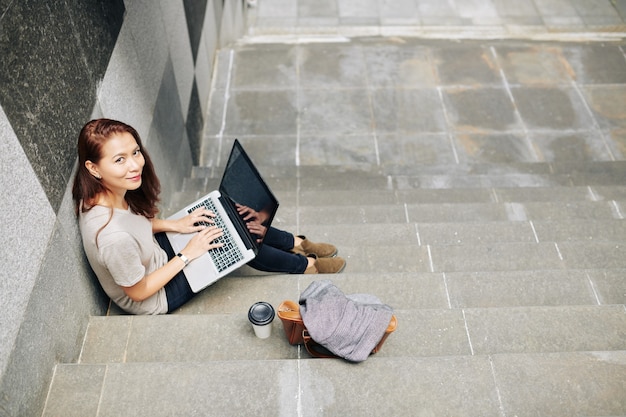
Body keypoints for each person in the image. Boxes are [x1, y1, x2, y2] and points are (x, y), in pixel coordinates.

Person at [72, 118, 346, 315]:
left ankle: (295, 242)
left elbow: (135, 226)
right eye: (119, 160)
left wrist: (174, 224)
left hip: (155, 257)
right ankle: (307, 265)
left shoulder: (104, 193)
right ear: (93, 168)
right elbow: (139, 291)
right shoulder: (112, 238)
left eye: (135, 152)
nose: (135, 164)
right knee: (236, 244)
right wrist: (188, 254)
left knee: (226, 219)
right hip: (157, 296)